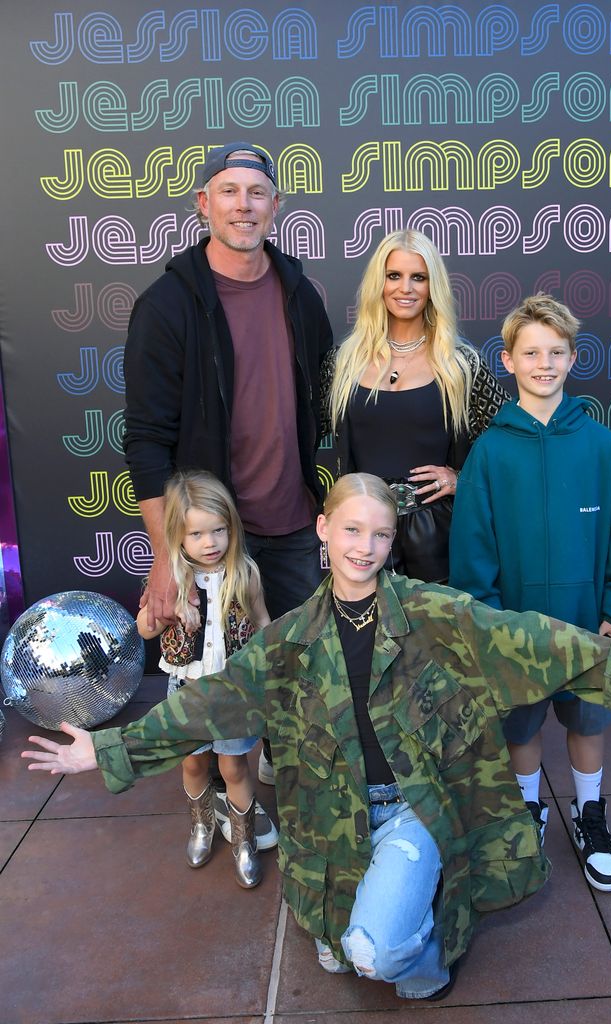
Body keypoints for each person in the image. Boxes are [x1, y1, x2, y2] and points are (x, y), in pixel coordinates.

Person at [23, 474, 611, 1001]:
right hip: (329, 819)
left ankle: (431, 953)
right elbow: (208, 703)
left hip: (414, 807)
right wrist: (104, 749)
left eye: (379, 535)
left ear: (393, 540)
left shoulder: (432, 614)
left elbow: (532, 639)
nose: (364, 548)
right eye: (351, 531)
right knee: (328, 934)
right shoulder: (289, 641)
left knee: (376, 956)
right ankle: (379, 924)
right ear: (323, 529)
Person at [124, 140, 332, 784]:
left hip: (293, 524)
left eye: (257, 192)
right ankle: (214, 797)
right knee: (209, 678)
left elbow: (330, 403)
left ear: (276, 205)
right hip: (213, 540)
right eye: (230, 191)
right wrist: (167, 559)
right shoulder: (167, 306)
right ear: (203, 203)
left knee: (295, 664)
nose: (244, 205)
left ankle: (276, 766)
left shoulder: (302, 296)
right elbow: (147, 440)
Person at [449, 293, 611, 893]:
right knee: (520, 727)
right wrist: (486, 622)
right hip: (515, 630)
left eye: (556, 352)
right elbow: (473, 549)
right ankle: (526, 814)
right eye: (531, 352)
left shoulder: (599, 445)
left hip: (589, 623)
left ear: (571, 358)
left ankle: (590, 815)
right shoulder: (490, 451)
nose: (544, 363)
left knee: (588, 722)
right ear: (508, 361)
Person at [321, 229, 510, 583]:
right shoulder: (342, 363)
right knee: (366, 634)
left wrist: (463, 479)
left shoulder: (460, 364)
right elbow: (301, 434)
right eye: (394, 276)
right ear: (379, 282)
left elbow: (510, 441)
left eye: (418, 278)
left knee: (440, 636)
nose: (405, 288)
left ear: (432, 286)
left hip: (439, 536)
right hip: (363, 537)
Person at [136, 470, 277, 888]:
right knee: (194, 760)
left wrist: (270, 665)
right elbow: (143, 629)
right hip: (188, 689)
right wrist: (170, 609)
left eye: (219, 530)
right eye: (197, 533)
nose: (210, 543)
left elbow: (263, 621)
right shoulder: (170, 580)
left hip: (234, 692)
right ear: (176, 535)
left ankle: (245, 841)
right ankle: (201, 826)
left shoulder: (245, 573)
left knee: (234, 767)